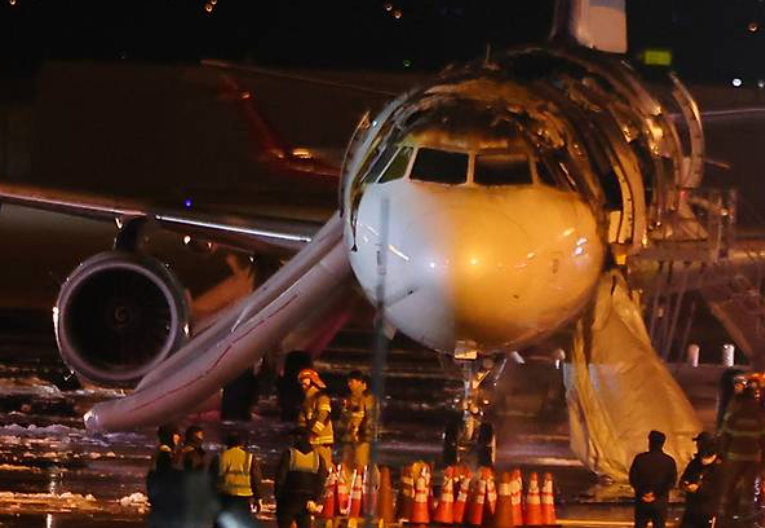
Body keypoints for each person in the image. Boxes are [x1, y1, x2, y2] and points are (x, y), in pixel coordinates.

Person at [718, 385, 765, 523]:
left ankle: (723, 512)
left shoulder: (734, 416)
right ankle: (745, 515)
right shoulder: (759, 417)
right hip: (753, 457)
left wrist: (722, 454)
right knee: (749, 487)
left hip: (734, 456)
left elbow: (725, 437)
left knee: (729, 485)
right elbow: (763, 440)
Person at [274, 427, 329, 528]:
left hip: (288, 500)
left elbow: (280, 479)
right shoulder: (318, 458)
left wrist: (279, 499)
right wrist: (314, 499)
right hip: (307, 503)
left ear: (297, 438)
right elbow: (321, 481)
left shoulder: (289, 455)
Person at [211, 430, 264, 528]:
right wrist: (258, 498)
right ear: (242, 443)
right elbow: (256, 480)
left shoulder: (220, 458)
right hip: (243, 501)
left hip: (224, 499)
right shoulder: (250, 458)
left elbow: (211, 481)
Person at [629, 430, 677, 528]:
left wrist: (642, 493)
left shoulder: (640, 459)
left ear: (650, 441)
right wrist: (656, 494)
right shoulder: (669, 461)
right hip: (660, 502)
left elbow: (633, 478)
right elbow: (671, 482)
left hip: (642, 502)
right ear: (663, 443)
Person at [679, 432, 722, 528]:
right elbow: (684, 478)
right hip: (691, 512)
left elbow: (719, 489)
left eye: (700, 444)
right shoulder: (695, 464)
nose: (697, 446)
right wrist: (685, 484)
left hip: (708, 513)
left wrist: (699, 489)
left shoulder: (720, 467)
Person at [146, 424, 183, 528]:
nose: (178, 438)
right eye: (175, 434)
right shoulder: (165, 451)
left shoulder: (162, 450)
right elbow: (165, 473)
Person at [339, 370, 376, 471]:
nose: (349, 384)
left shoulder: (368, 398)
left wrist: (363, 433)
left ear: (360, 382)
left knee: (361, 462)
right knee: (346, 463)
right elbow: (344, 417)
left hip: (362, 438)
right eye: (348, 382)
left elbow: (371, 417)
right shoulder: (349, 398)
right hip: (349, 437)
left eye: (352, 381)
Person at [297, 368, 334, 468]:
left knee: (324, 466)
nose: (303, 385)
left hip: (322, 441)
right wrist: (300, 433)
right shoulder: (307, 400)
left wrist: (315, 431)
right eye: (302, 383)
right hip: (311, 441)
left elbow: (324, 415)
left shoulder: (321, 398)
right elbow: (302, 419)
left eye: (305, 382)